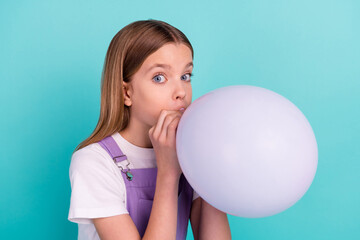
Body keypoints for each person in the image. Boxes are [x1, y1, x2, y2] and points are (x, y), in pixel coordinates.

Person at [68, 19, 231, 240]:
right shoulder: (94, 162)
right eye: (159, 78)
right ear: (126, 93)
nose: (180, 92)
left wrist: (209, 166)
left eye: (185, 76)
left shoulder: (190, 154)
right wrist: (168, 173)